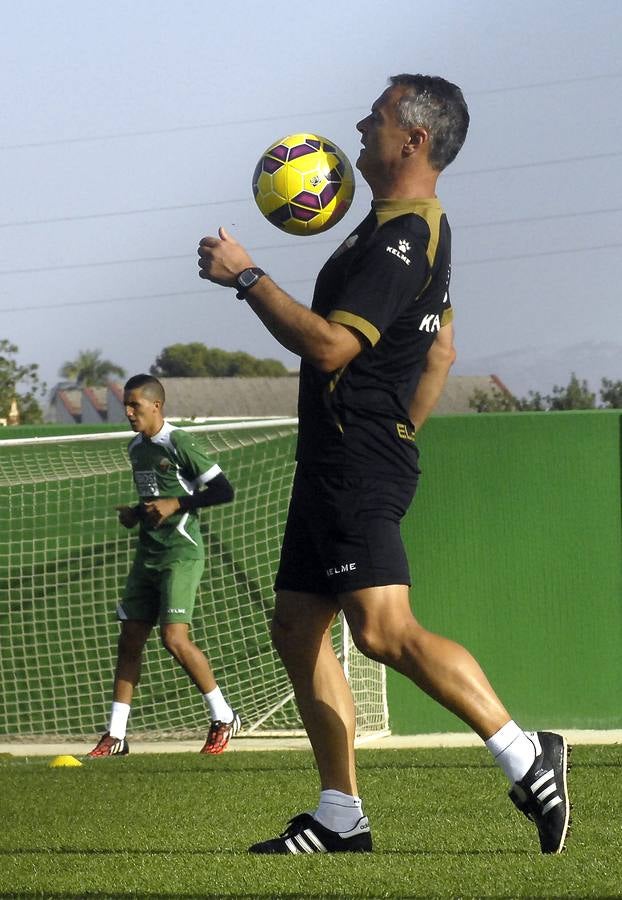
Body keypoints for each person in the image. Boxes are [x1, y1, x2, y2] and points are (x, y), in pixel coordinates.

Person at [197, 74, 570, 854]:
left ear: (414, 140)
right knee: (298, 627)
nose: (361, 125)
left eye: (377, 115)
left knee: (382, 630)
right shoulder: (399, 230)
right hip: (346, 451)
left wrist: (248, 278)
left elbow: (333, 345)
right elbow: (443, 349)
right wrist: (399, 432)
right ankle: (340, 816)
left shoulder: (403, 236)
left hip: (355, 453)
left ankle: (524, 752)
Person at [88, 374, 240, 757]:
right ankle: (116, 735)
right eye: (125, 404)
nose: (128, 412)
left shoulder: (179, 441)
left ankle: (223, 717)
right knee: (129, 641)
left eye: (134, 405)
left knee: (173, 638)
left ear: (157, 405)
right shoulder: (136, 448)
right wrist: (137, 514)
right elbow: (156, 498)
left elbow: (223, 490)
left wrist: (178, 505)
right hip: (148, 554)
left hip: (181, 553)